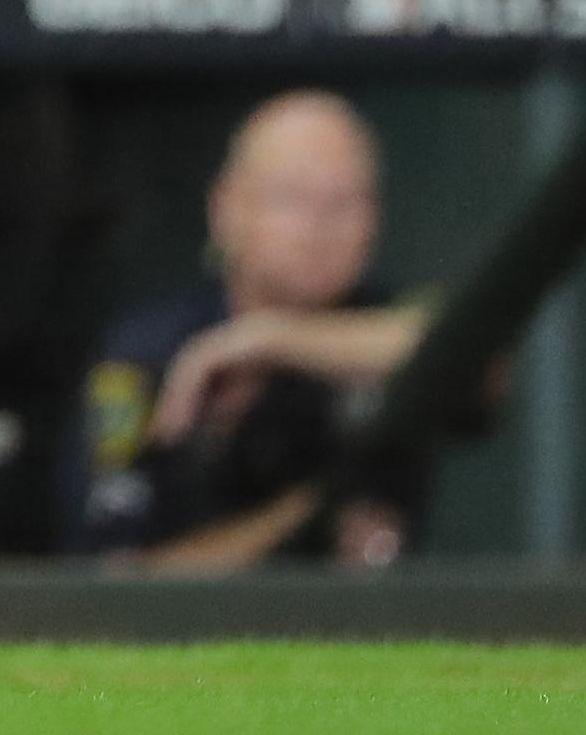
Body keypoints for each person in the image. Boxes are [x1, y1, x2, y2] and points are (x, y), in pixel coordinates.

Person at [70, 92, 442, 571]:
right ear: (226, 208)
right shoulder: (146, 354)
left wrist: (268, 340)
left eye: (345, 200)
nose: (319, 226)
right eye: (292, 198)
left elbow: (468, 352)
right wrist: (308, 514)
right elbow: (118, 576)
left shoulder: (383, 324)